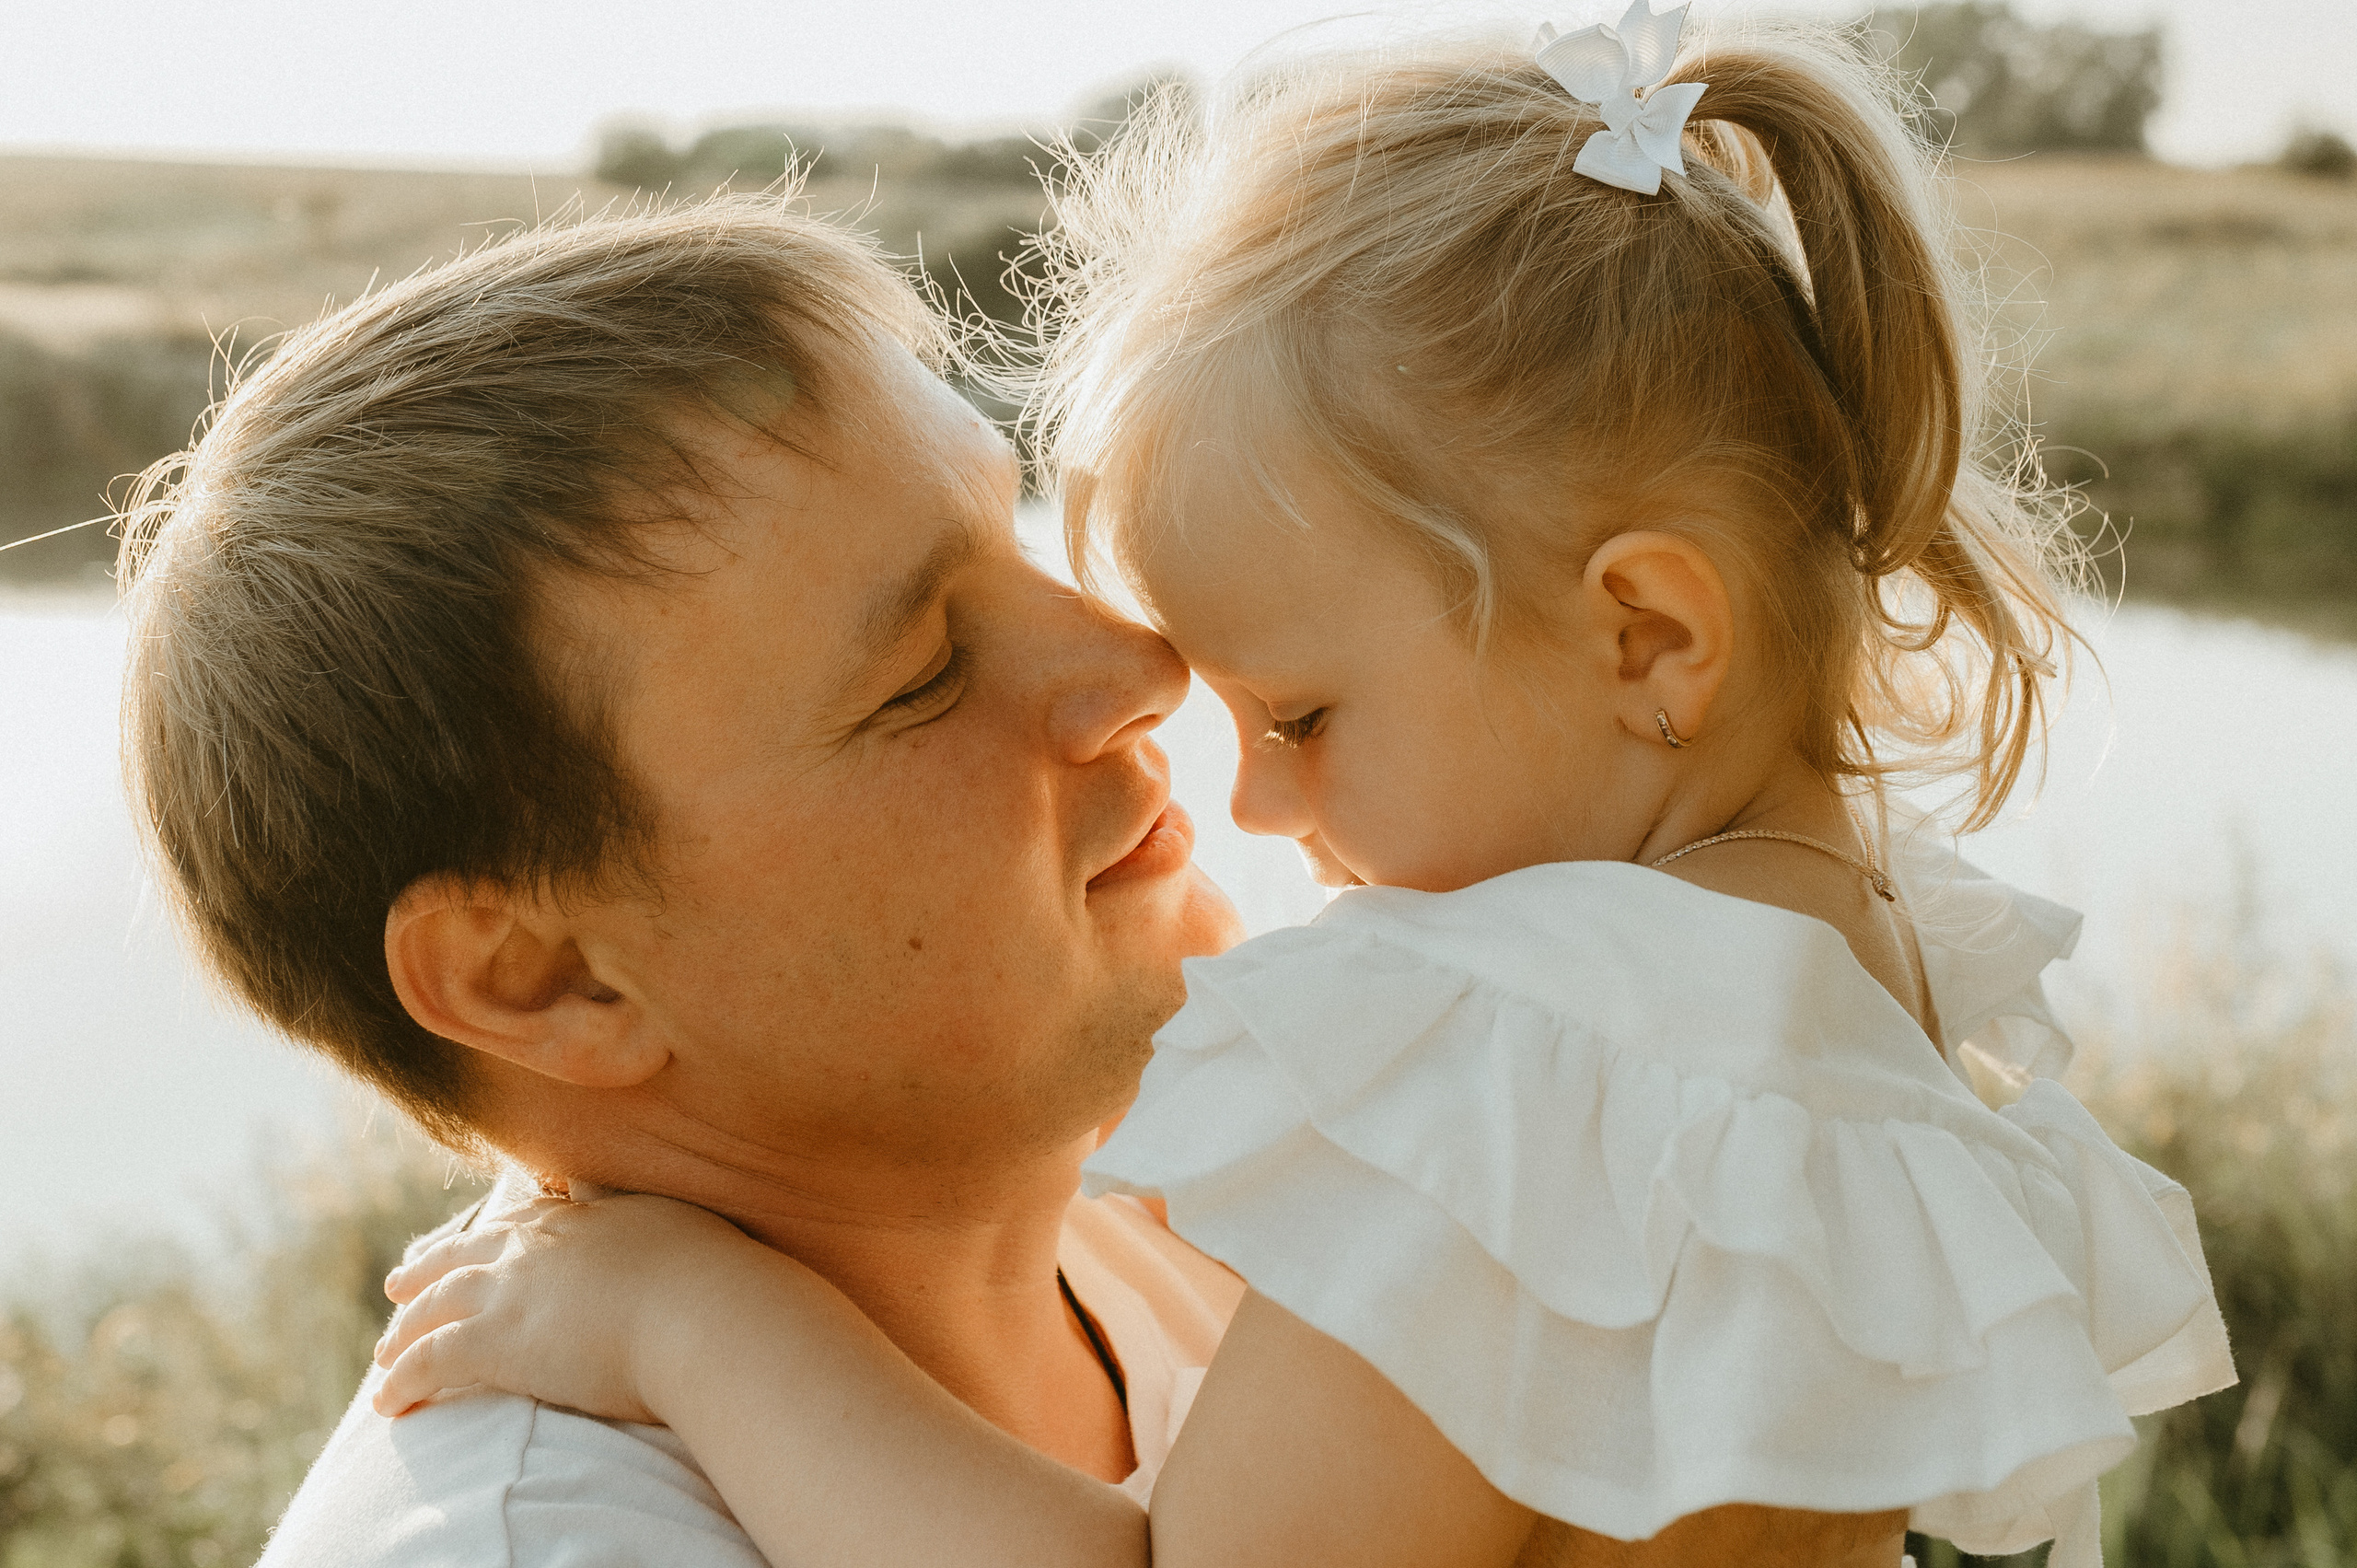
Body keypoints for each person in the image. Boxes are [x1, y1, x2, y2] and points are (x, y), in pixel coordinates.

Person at [372, 10, 2235, 1568]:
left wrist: (690, 1321)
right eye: (927, 664)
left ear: (1649, 637)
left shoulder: (1527, 1069)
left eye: (1308, 714)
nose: (1252, 799)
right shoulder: (1851, 985)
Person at [116, 196, 1248, 1565]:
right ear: (550, 978)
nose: (1137, 667)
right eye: (924, 675)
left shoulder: (1205, 1220)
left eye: (1013, 541)